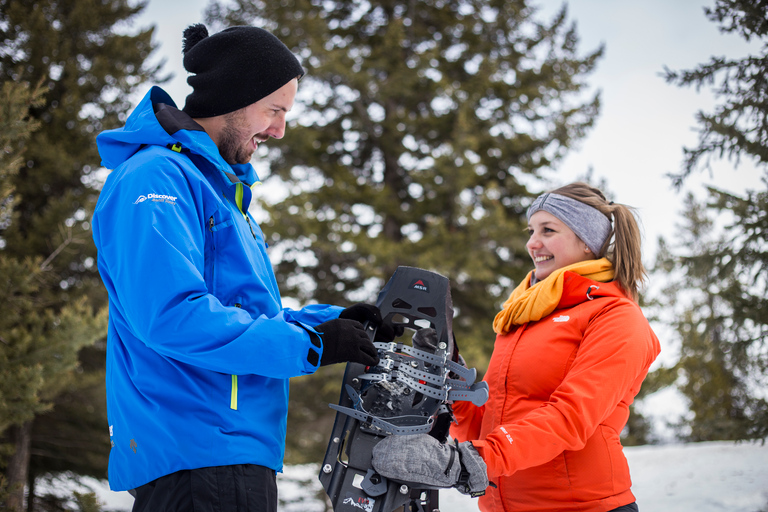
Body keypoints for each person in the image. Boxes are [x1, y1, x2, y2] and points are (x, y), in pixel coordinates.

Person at [92, 24, 398, 512]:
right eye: (273, 110)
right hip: (199, 452)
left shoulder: (219, 192)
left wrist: (330, 322)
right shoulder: (155, 178)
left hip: (231, 453)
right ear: (233, 99)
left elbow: (242, 313)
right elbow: (173, 316)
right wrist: (311, 346)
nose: (279, 129)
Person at [372, 182, 661, 511]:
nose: (532, 243)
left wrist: (476, 460)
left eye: (548, 230)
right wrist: (449, 376)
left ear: (586, 242)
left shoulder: (617, 317)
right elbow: (490, 420)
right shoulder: (525, 315)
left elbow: (571, 417)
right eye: (531, 230)